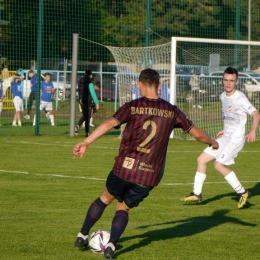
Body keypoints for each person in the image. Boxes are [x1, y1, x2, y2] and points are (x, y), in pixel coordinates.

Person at [73, 68, 219, 259]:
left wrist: (86, 142)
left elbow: (109, 124)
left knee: (105, 198)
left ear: (140, 84)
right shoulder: (172, 111)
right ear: (159, 86)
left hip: (124, 168)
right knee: (123, 207)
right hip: (148, 175)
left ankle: (82, 235)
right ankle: (110, 246)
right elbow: (196, 133)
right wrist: (213, 142)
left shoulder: (132, 106)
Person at [181, 67, 259, 209]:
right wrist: (225, 129)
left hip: (236, 140)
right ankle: (197, 194)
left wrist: (253, 131)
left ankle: (242, 192)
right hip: (226, 137)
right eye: (226, 80)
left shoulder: (240, 98)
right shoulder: (223, 96)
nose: (228, 83)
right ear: (223, 80)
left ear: (236, 82)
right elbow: (230, 117)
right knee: (201, 159)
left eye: (232, 81)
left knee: (218, 165)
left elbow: (255, 113)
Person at [75, 70, 99, 136]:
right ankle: (87, 132)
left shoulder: (81, 81)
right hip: (88, 100)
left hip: (81, 100)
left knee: (86, 115)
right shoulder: (90, 82)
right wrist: (97, 102)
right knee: (88, 115)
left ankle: (77, 127)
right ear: (90, 75)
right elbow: (92, 93)